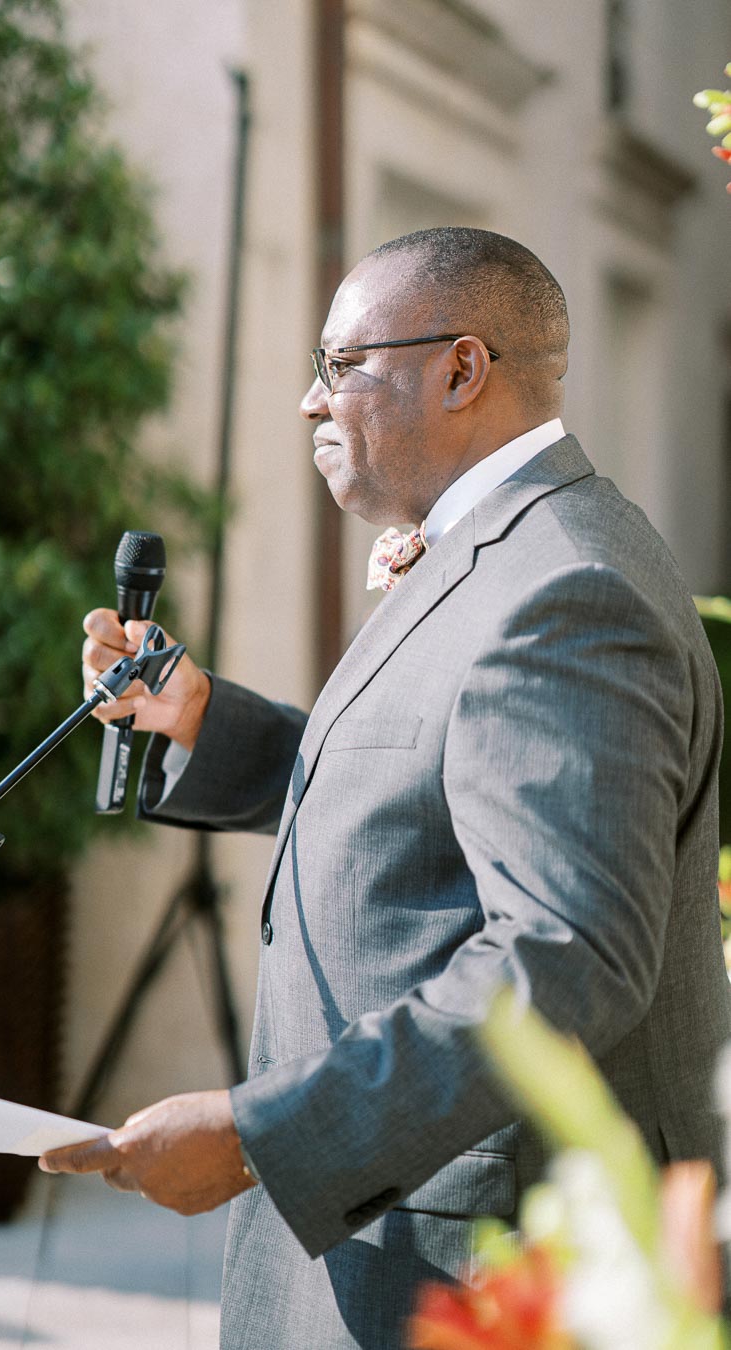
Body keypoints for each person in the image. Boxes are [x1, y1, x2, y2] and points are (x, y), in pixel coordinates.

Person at [40, 228, 731, 1348]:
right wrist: (208, 724)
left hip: (471, 1265)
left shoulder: (567, 588)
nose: (312, 405)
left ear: (462, 370)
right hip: (404, 1242)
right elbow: (439, 785)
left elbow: (565, 956)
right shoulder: (490, 548)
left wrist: (267, 1134)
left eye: (338, 367)